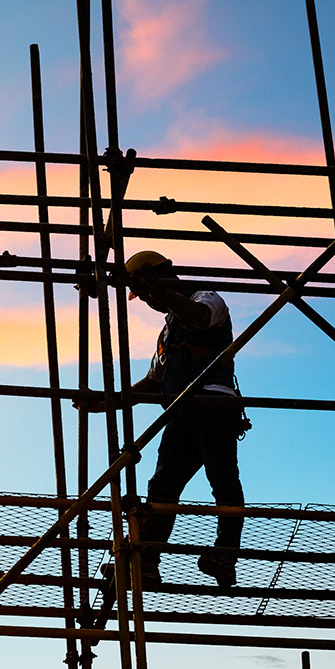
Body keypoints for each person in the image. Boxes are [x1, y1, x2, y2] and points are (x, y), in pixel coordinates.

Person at [81, 250, 246, 588]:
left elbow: (199, 318)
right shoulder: (167, 331)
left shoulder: (205, 297)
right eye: (141, 295)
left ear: (162, 276)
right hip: (180, 412)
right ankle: (146, 561)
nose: (145, 300)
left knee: (223, 479)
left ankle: (225, 555)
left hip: (213, 404)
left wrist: (161, 291)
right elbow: (153, 383)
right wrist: (106, 403)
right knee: (162, 487)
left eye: (144, 291)